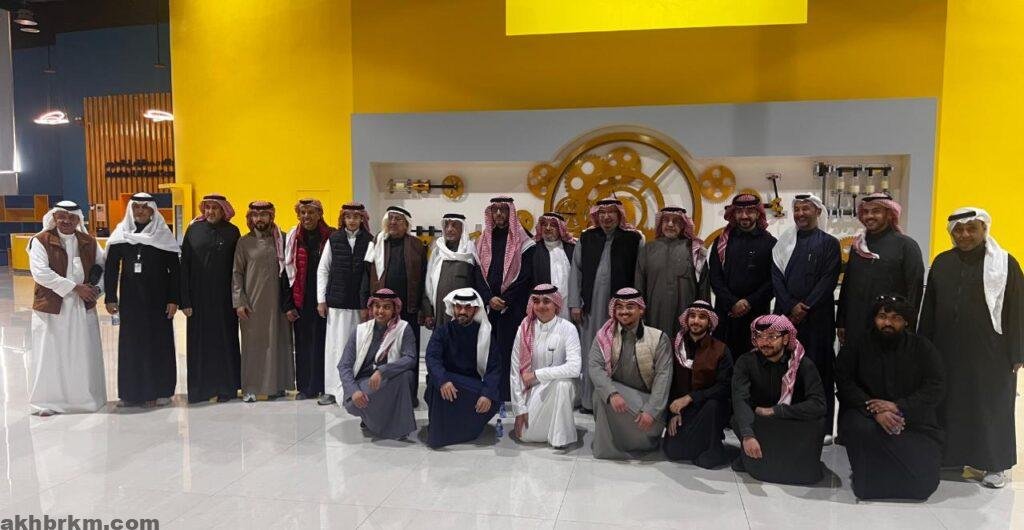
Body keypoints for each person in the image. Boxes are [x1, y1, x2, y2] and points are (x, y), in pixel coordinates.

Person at [919, 207, 1024, 488]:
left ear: (984, 230)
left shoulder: (1005, 263)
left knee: (990, 405)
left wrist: (1017, 352)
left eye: (971, 229)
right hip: (947, 349)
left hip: (991, 352)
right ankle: (952, 458)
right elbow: (929, 309)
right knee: (950, 402)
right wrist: (923, 346)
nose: (964, 235)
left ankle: (994, 464)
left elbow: (1018, 309)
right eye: (959, 230)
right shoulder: (942, 262)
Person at [836, 294, 945, 500]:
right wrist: (875, 411)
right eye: (882, 316)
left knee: (924, 485)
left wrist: (898, 407)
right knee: (860, 429)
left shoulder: (922, 348)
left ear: (906, 322)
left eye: (896, 318)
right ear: (874, 319)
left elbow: (935, 386)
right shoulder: (858, 345)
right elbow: (844, 382)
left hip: (912, 419)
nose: (888, 323)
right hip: (866, 416)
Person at [771, 194, 841, 440]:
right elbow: (776, 277)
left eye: (806, 209)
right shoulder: (784, 243)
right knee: (785, 368)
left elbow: (828, 279)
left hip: (818, 319)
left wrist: (806, 306)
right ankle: (786, 419)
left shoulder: (830, 243)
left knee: (819, 370)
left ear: (818, 212)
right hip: (786, 318)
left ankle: (822, 428)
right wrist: (791, 306)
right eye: (797, 209)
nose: (800, 214)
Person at [27, 201, 107, 416]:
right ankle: (48, 402)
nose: (66, 221)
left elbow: (103, 268)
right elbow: (40, 273)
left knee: (83, 353)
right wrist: (75, 288)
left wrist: (96, 290)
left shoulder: (89, 242)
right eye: (61, 216)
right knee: (50, 354)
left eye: (71, 217)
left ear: (78, 219)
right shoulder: (40, 241)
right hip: (52, 308)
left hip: (82, 307)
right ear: (54, 217)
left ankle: (84, 400)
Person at [104, 193, 181, 408]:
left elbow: (175, 270)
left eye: (144, 207)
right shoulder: (121, 234)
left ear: (152, 211)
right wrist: (110, 297)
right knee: (131, 344)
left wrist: (174, 298)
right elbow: (111, 267)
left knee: (159, 343)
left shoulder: (163, 235)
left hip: (159, 299)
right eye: (136, 207)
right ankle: (131, 393)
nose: (140, 211)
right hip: (131, 300)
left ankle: (162, 390)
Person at [731, 314, 826, 485]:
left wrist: (776, 411)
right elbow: (740, 399)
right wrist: (747, 435)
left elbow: (818, 404)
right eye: (760, 337)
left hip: (793, 421)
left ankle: (770, 463)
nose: (764, 342)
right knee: (739, 419)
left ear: (786, 338)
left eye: (772, 336)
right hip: (761, 423)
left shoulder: (803, 364)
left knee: (817, 423)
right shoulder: (746, 362)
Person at [570, 198, 644, 412]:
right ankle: (588, 401)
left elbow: (639, 274)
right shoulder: (586, 238)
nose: (606, 216)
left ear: (619, 215)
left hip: (622, 311)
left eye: (611, 212)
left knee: (616, 353)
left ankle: (613, 403)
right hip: (590, 308)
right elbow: (576, 271)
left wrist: (637, 307)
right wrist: (575, 303)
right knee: (591, 352)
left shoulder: (633, 239)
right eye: (602, 212)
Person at [588, 288, 672, 460]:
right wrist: (612, 393)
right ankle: (608, 449)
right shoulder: (604, 336)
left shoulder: (658, 338)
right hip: (620, 399)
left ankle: (639, 443)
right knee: (601, 393)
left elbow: (663, 378)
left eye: (630, 306)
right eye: (619, 306)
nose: (624, 311)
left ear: (641, 309)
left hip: (648, 407)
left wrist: (651, 411)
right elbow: (595, 367)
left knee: (602, 392)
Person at [837, 192, 924, 346]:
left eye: (876, 211)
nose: (869, 216)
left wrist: (908, 326)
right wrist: (841, 321)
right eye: (865, 212)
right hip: (856, 324)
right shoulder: (858, 246)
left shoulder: (906, 246)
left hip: (889, 326)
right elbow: (847, 285)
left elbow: (914, 291)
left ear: (889, 214)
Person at [180, 194, 242, 403]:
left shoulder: (232, 232)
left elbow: (238, 268)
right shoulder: (193, 230)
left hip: (225, 301)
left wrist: (238, 299)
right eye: (207, 207)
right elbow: (184, 266)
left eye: (215, 208)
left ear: (223, 210)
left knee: (225, 342)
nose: (210, 212)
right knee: (200, 345)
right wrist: (185, 300)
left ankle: (227, 388)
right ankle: (201, 390)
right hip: (198, 301)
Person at [232, 201, 295, 402]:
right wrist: (239, 301)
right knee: (253, 346)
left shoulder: (282, 239)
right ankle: (251, 388)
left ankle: (278, 386)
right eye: (255, 215)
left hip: (279, 303)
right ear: (250, 218)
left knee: (279, 342)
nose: (259, 219)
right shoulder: (244, 242)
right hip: (253, 304)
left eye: (263, 215)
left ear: (271, 216)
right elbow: (237, 273)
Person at [423, 288, 502, 448]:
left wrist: (487, 394)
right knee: (435, 384)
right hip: (446, 384)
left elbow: (494, 368)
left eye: (467, 308)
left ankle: (462, 431)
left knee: (492, 400)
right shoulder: (442, 331)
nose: (462, 312)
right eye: (458, 307)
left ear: (476, 310)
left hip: (469, 386)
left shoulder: (484, 335)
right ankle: (440, 435)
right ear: (453, 308)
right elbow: (432, 358)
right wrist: (443, 380)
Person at [476, 196, 537, 401]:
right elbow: (477, 273)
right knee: (489, 349)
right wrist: (489, 298)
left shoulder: (524, 241)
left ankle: (509, 392)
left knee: (511, 350)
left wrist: (505, 300)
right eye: (495, 210)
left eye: (503, 209)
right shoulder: (483, 240)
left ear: (511, 212)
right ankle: (491, 390)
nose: (499, 214)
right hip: (488, 308)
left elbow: (525, 275)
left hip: (513, 307)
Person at [366, 206, 427, 405]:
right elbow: (367, 274)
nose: (393, 222)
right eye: (390, 218)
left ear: (406, 224)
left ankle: (409, 395)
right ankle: (383, 394)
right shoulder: (377, 242)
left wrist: (424, 309)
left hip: (409, 309)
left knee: (408, 353)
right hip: (382, 311)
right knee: (382, 352)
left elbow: (424, 279)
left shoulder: (417, 245)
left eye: (398, 219)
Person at [338, 289, 418, 440]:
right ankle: (370, 419)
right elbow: (344, 365)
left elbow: (410, 358)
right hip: (364, 381)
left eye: (386, 307)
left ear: (394, 309)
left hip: (389, 378)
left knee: (406, 376)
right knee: (353, 402)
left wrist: (383, 370)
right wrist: (354, 391)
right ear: (371, 307)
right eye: (377, 306)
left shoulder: (403, 328)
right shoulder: (360, 330)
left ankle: (397, 427)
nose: (380, 311)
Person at [662, 300, 734, 469]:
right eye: (692, 316)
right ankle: (703, 445)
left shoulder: (720, 349)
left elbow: (724, 386)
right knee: (672, 451)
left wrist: (691, 397)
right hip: (682, 409)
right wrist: (673, 412)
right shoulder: (674, 346)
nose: (696, 321)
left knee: (713, 405)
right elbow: (667, 382)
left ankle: (713, 447)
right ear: (686, 320)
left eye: (702, 317)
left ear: (709, 322)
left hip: (708, 407)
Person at [509, 284, 581, 448]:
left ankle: (561, 439)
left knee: (562, 384)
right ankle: (552, 429)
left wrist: (537, 374)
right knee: (525, 436)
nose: (541, 306)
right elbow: (515, 372)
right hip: (532, 389)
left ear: (556, 304)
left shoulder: (568, 328)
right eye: (536, 301)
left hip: (562, 386)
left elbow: (574, 368)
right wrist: (519, 409)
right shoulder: (524, 329)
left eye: (546, 301)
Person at [316, 202, 374, 406]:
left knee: (358, 348)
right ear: (343, 219)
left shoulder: (369, 240)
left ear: (361, 219)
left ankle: (354, 390)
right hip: (337, 303)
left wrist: (368, 304)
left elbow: (370, 273)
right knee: (335, 347)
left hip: (359, 305)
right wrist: (321, 300)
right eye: (348, 217)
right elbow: (323, 269)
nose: (352, 221)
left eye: (356, 217)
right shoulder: (334, 239)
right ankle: (332, 390)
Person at [709, 194, 776, 362]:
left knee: (756, 361)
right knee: (724, 361)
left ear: (758, 213)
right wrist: (733, 302)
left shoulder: (770, 242)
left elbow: (773, 280)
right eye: (739, 211)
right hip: (727, 314)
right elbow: (715, 277)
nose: (744, 216)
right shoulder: (722, 241)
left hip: (757, 314)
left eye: (750, 211)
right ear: (733, 214)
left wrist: (748, 302)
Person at [284, 198, 335, 401]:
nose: (306, 216)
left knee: (323, 344)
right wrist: (288, 305)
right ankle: (305, 388)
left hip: (325, 301)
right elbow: (285, 273)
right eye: (303, 213)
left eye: (311, 212)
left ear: (320, 214)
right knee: (303, 345)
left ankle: (323, 385)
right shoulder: (293, 238)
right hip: (301, 301)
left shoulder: (331, 236)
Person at [636, 206, 709, 339]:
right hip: (654, 315)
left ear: (684, 225)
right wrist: (639, 313)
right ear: (661, 223)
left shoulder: (695, 251)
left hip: (686, 317)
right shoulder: (648, 249)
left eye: (676, 221)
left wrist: (704, 317)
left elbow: (703, 288)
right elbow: (639, 284)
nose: (670, 224)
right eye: (666, 220)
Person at [422, 212, 490, 328]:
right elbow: (428, 285)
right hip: (440, 313)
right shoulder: (437, 252)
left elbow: (479, 284)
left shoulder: (470, 252)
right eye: (446, 225)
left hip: (464, 313)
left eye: (454, 225)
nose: (449, 229)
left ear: (462, 229)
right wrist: (428, 313)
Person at [531, 212, 575, 317]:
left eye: (553, 225)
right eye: (544, 224)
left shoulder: (572, 248)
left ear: (560, 228)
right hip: (542, 305)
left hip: (568, 304)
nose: (548, 228)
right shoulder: (533, 249)